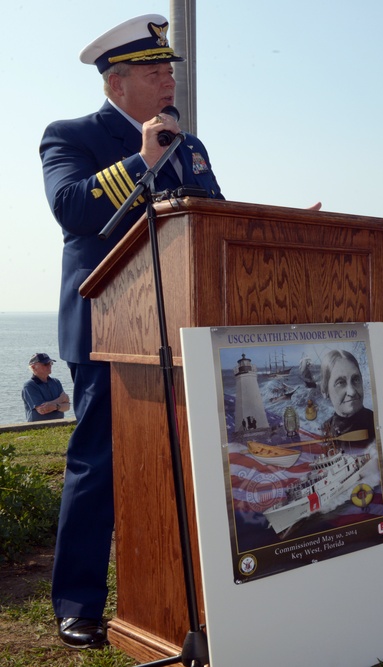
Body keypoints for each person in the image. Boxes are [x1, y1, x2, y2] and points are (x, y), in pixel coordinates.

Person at [39, 14, 223, 649]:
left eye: (169, 68)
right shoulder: (71, 136)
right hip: (107, 325)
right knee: (99, 464)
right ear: (117, 83)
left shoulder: (190, 147)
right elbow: (72, 210)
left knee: (183, 462)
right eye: (155, 70)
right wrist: (143, 159)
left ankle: (187, 590)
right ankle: (79, 604)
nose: (169, 77)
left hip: (183, 328)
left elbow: (211, 222)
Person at [320, 349, 375, 446]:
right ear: (325, 391)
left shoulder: (375, 422)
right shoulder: (324, 431)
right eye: (341, 383)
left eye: (356, 379)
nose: (352, 391)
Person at [22, 353, 71, 422]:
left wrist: (54, 406)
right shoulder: (29, 385)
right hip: (38, 427)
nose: (49, 366)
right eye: (45, 364)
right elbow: (42, 410)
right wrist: (61, 400)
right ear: (33, 367)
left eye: (50, 363)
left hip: (59, 424)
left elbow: (67, 406)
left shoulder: (56, 382)